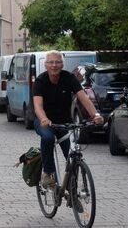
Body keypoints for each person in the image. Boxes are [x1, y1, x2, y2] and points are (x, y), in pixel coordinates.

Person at [33, 50, 104, 189]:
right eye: (51, 62)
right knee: (47, 138)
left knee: (72, 154)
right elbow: (38, 106)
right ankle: (47, 172)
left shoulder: (69, 78)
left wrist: (95, 115)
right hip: (45, 121)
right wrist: (44, 119)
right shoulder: (40, 81)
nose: (54, 65)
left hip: (65, 123)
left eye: (58, 62)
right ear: (46, 65)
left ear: (62, 64)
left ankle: (72, 190)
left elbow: (84, 98)